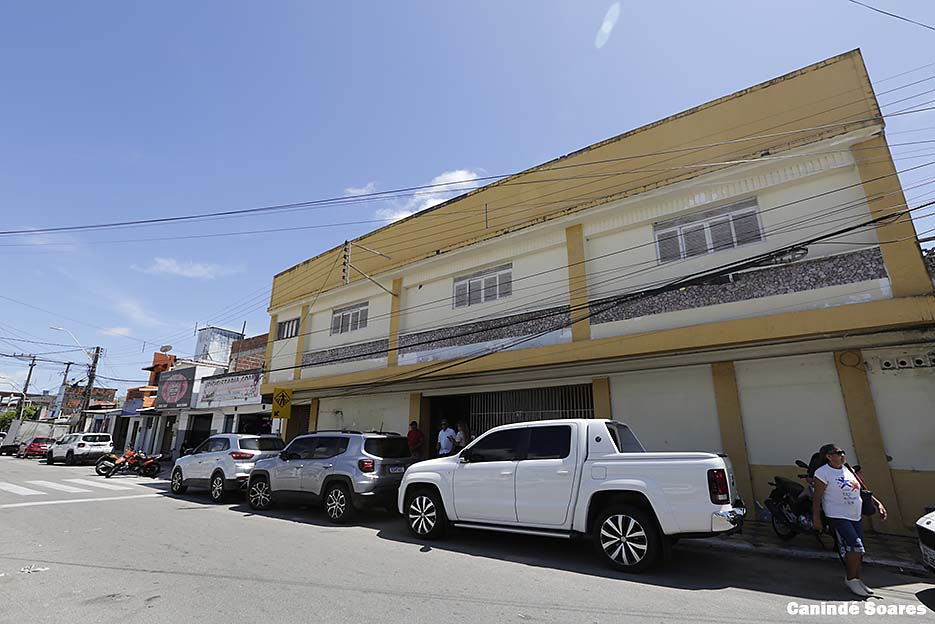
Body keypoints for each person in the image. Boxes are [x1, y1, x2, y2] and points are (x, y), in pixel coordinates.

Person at [812, 443, 887, 597]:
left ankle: (857, 579)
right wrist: (816, 519)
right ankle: (851, 579)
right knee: (855, 546)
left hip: (855, 514)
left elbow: (862, 489)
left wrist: (878, 504)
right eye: (838, 452)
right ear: (829, 456)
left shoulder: (848, 469)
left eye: (843, 452)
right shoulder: (823, 473)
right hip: (837, 514)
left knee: (859, 551)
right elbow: (817, 498)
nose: (842, 455)